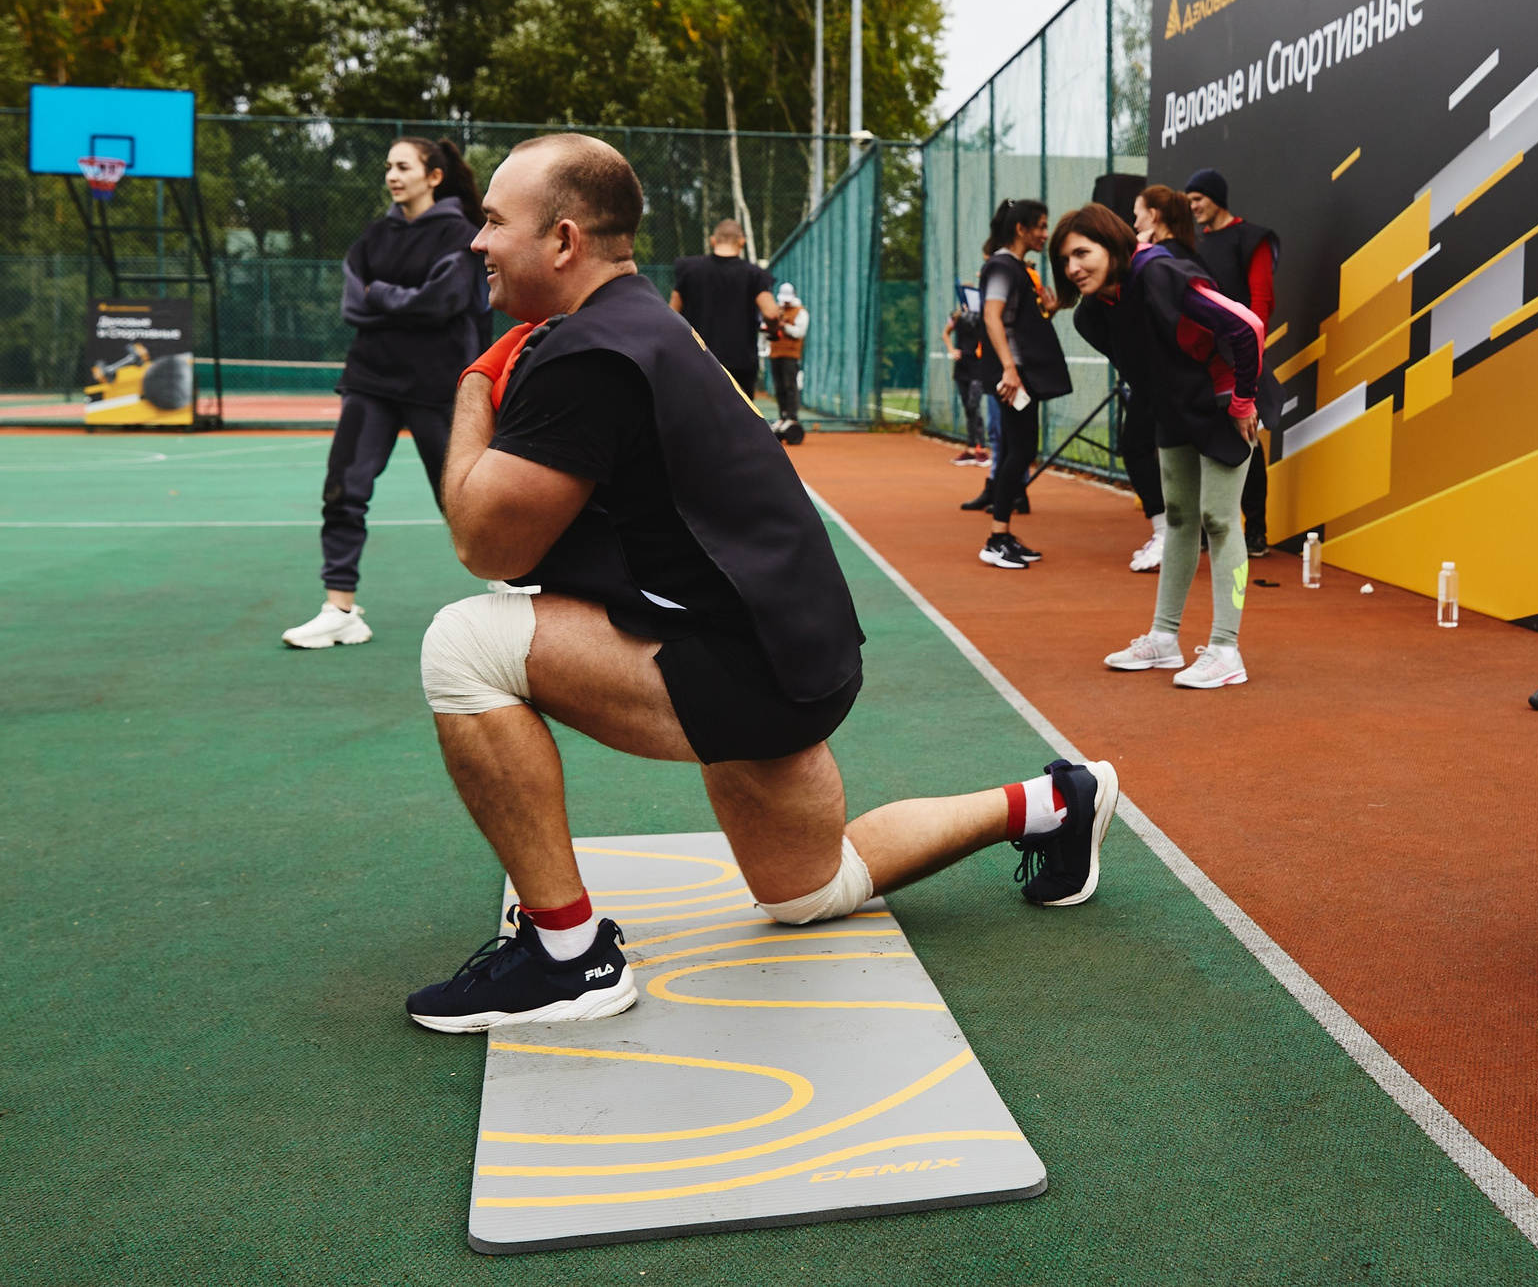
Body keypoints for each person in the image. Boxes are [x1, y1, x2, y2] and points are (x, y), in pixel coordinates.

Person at [402, 134, 1120, 1033]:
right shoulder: (639, 322)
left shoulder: (587, 351)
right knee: (808, 891)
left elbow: (485, 542)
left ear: (564, 241)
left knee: (462, 644)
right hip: (800, 651)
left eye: (495, 222)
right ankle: (1053, 802)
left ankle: (567, 957)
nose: (476, 242)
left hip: (746, 663)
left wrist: (473, 383)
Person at [1051, 203, 1265, 689]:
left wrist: (1243, 402)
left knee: (1218, 518)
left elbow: (1246, 326)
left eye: (1082, 253)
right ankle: (1163, 640)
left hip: (1222, 398)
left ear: (1112, 245)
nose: (1073, 268)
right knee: (1180, 519)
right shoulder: (1093, 315)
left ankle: (1226, 650)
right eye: (1064, 259)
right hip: (1175, 410)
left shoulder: (1160, 273)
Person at [284, 136, 484, 650]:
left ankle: (515, 591)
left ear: (433, 176)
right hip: (370, 378)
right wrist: (400, 300)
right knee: (343, 491)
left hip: (437, 382)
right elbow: (354, 303)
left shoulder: (460, 234)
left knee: (463, 497)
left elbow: (444, 300)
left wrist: (384, 295)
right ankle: (340, 610)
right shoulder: (374, 236)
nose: (392, 175)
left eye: (403, 166)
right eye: (388, 167)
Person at [1184, 169, 1280, 556]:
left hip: (1239, 356)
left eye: (1198, 199)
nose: (1193, 208)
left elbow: (1261, 302)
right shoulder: (1194, 245)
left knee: (1247, 441)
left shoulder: (1250, 238)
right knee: (1205, 443)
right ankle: (1209, 527)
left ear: (1216, 197)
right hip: (1201, 361)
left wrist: (1250, 360)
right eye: (1188, 202)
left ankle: (1255, 530)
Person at [973, 199, 1070, 569]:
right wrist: (1009, 370)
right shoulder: (1001, 266)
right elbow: (993, 317)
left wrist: (1053, 309)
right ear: (1020, 229)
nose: (1046, 233)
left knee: (1021, 449)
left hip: (1022, 374)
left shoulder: (1018, 269)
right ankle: (996, 538)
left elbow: (1018, 321)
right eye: (1041, 226)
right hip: (1014, 377)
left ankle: (1003, 534)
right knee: (1018, 451)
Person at [1115, 184, 1201, 573]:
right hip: (1177, 377)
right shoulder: (1180, 255)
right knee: (1165, 454)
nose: (1134, 220)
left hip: (1166, 376)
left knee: (1136, 446)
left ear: (1155, 215)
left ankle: (1168, 532)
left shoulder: (1159, 261)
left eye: (1138, 212)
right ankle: (1173, 531)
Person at [670, 218, 780, 397]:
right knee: (740, 420)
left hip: (697, 360)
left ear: (713, 240)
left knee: (698, 418)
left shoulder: (688, 270)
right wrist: (774, 331)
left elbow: (672, 313)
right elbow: (771, 314)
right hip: (740, 363)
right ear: (742, 242)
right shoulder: (754, 274)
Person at [941, 285, 991, 464]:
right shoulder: (956, 316)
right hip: (962, 367)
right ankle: (970, 448)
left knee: (973, 405)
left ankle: (982, 449)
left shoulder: (983, 317)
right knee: (967, 407)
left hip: (978, 367)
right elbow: (945, 334)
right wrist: (951, 350)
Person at [764, 282, 809, 427]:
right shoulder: (777, 310)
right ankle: (782, 416)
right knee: (779, 386)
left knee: (790, 386)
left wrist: (785, 326)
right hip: (775, 352)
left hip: (791, 354)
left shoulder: (800, 312)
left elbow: (799, 333)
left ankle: (792, 417)